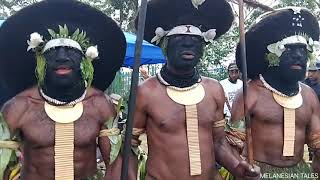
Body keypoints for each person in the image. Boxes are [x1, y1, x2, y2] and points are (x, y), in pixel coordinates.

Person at [125, 0, 260, 179]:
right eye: (180, 39)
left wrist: (237, 167)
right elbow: (130, 147)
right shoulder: (146, 92)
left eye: (195, 39)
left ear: (203, 46)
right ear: (165, 46)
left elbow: (219, 142)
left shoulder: (214, 90)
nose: (188, 45)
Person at [0, 0, 126, 179]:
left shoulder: (100, 105)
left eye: (71, 51)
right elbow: (3, 167)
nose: (61, 57)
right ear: (40, 62)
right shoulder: (18, 107)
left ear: (85, 62)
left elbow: (114, 163)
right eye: (53, 52)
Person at [231, 7, 320, 178]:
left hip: (299, 173)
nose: (298, 55)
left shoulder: (309, 96)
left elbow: (317, 142)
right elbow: (231, 146)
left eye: (302, 50)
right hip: (258, 174)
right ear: (272, 56)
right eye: (289, 49)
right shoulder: (251, 93)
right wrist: (242, 170)